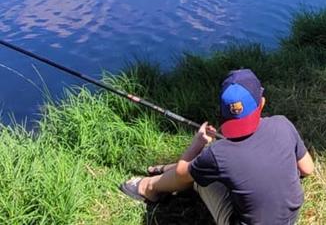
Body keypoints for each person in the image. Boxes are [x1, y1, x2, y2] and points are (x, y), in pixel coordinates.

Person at [120, 69, 314, 225]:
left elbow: (181, 172)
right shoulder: (282, 123)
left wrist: (198, 143)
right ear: (261, 103)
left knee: (195, 174)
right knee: (209, 166)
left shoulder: (218, 153)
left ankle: (148, 187)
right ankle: (161, 170)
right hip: (291, 219)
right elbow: (307, 169)